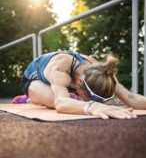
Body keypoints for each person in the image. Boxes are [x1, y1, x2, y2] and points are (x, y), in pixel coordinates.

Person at [13, 50, 146, 119]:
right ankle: (31, 98)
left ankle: (71, 98)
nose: (99, 103)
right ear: (80, 82)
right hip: (33, 81)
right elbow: (61, 104)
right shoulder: (60, 68)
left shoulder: (101, 71)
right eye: (92, 98)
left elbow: (130, 98)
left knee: (73, 104)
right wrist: (92, 106)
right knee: (56, 101)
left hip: (63, 83)